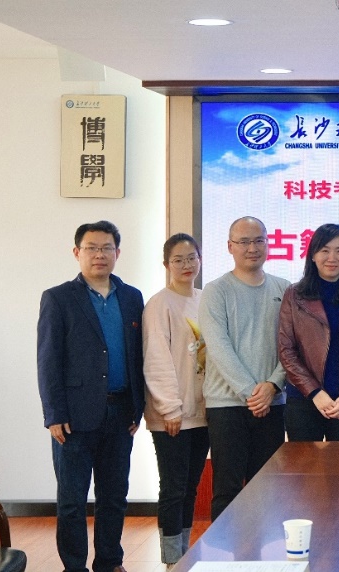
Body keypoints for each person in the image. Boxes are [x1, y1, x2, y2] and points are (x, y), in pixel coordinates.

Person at [37, 221, 145, 572]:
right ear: (77, 252)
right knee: (72, 501)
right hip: (74, 417)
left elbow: (138, 356)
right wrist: (54, 414)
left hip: (121, 412)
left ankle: (110, 562)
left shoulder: (132, 297)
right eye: (92, 248)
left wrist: (138, 409)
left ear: (117, 252)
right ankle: (74, 567)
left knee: (114, 497)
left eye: (107, 248)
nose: (100, 254)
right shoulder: (58, 298)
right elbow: (48, 360)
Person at [199, 216, 290, 520]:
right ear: (230, 246)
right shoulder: (216, 290)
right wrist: (252, 393)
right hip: (227, 406)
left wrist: (273, 385)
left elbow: (291, 347)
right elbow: (218, 346)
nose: (253, 248)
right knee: (226, 490)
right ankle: (225, 552)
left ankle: (264, 550)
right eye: (244, 242)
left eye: (259, 240)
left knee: (268, 489)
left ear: (268, 243)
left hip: (272, 404)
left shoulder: (284, 289)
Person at [142, 233, 208, 565]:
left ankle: (184, 554)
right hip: (172, 415)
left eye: (191, 258)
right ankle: (171, 559)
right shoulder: (159, 304)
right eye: (178, 259)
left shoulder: (205, 299)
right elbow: (157, 358)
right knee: (173, 488)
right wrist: (170, 408)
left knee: (191, 487)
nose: (186, 265)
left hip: (204, 412)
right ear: (166, 264)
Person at [278, 224, 339, 441]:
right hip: (303, 401)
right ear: (313, 255)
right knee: (305, 464)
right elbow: (286, 350)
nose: (332, 258)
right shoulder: (294, 295)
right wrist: (315, 392)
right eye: (324, 250)